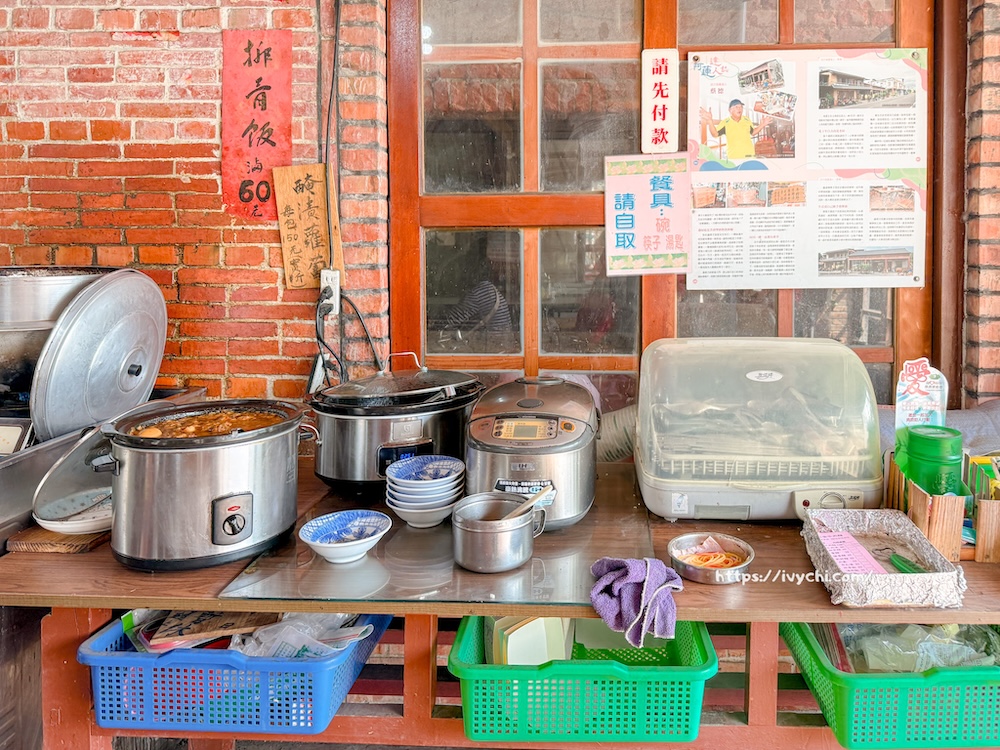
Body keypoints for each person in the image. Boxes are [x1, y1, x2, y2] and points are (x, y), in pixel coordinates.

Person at [699, 99, 772, 160]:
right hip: (734, 158)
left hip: (750, 156)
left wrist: (762, 125)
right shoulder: (725, 122)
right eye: (736, 107)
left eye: (741, 107)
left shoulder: (746, 119)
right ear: (730, 110)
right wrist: (710, 121)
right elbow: (715, 134)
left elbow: (753, 132)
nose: (739, 109)